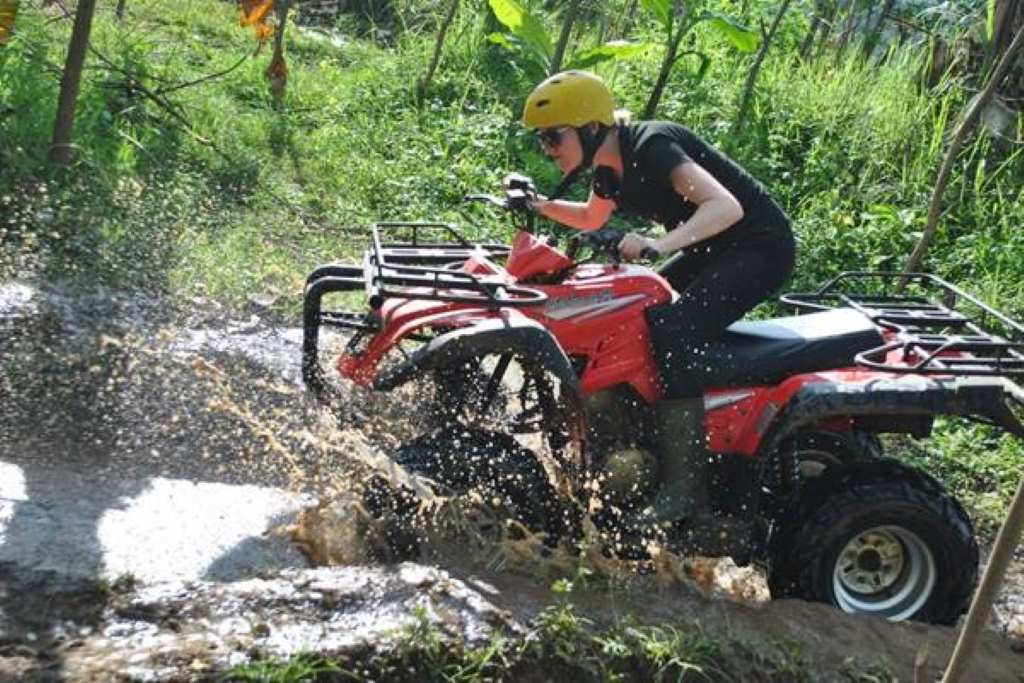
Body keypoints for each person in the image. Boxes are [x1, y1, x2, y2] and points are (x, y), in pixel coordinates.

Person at [520, 70, 796, 527]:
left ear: (591, 129)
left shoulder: (651, 145)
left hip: (758, 247)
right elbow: (592, 217)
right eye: (541, 141)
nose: (548, 149)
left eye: (553, 137)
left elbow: (726, 207)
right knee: (638, 314)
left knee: (673, 331)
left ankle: (682, 490)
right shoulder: (608, 166)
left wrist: (657, 245)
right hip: (713, 248)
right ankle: (638, 440)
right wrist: (537, 205)